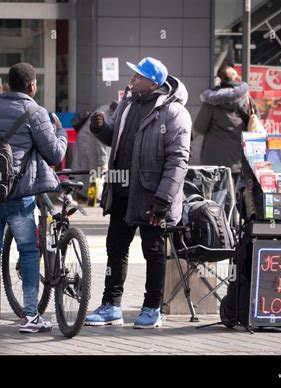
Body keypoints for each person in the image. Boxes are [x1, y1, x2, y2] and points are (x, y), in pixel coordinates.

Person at [85, 57, 191, 329]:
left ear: (153, 83)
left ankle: (152, 308)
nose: (131, 81)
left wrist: (163, 200)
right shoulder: (127, 104)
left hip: (152, 196)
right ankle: (110, 306)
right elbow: (118, 142)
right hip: (121, 191)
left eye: (137, 77)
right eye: (133, 76)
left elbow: (178, 160)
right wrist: (101, 129)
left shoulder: (174, 112)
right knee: (115, 249)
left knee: (153, 251)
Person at [0, 63, 68, 335]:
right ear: (32, 86)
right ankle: (30, 316)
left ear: (6, 85)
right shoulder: (36, 112)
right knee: (29, 253)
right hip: (19, 199)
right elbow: (54, 155)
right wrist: (61, 133)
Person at [193, 63, 256, 186]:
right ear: (234, 76)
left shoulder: (211, 100)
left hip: (213, 157)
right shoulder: (245, 99)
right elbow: (255, 119)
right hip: (237, 156)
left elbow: (199, 127)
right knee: (234, 193)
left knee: (216, 194)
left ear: (219, 78)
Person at [72, 101, 118, 199]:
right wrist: (103, 162)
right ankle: (87, 195)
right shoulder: (106, 115)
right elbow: (102, 143)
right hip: (89, 142)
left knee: (85, 169)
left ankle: (84, 194)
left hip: (87, 140)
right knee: (94, 170)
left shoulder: (105, 109)